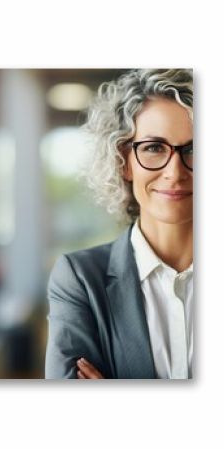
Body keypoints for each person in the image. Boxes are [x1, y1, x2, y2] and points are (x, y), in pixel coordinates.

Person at [45, 69, 193, 379]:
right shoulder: (80, 279)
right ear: (124, 161)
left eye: (193, 149)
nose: (175, 172)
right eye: (153, 147)